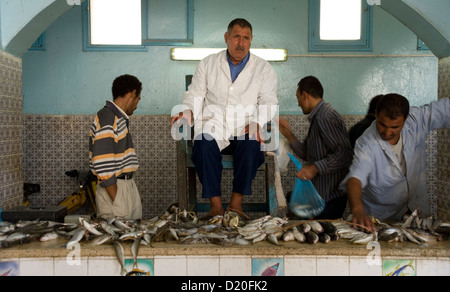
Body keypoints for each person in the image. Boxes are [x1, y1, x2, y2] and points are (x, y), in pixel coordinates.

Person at [171, 18, 278, 218]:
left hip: (244, 126)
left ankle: (236, 204)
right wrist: (188, 111)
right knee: (202, 143)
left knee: (252, 144)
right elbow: (195, 94)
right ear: (226, 37)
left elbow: (269, 101)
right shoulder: (208, 63)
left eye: (246, 38)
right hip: (215, 125)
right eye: (236, 36)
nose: (241, 42)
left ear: (251, 40)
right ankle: (216, 206)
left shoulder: (263, 68)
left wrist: (257, 122)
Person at [342, 94, 450, 232]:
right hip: (382, 218)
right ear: (376, 114)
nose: (387, 132)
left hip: (417, 210)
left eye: (395, 127)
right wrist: (357, 209)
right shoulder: (366, 143)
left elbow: (446, 107)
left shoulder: (417, 119)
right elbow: (355, 178)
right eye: (382, 124)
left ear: (405, 119)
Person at [279, 76, 353, 219]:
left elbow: (345, 155)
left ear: (305, 95)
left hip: (330, 197)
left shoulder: (325, 117)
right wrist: (289, 135)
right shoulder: (317, 118)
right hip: (320, 195)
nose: (298, 103)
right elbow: (308, 154)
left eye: (298, 98)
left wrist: (314, 168)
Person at [89, 74, 143, 220]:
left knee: (133, 237)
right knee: (118, 238)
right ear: (132, 93)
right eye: (138, 98)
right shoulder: (107, 116)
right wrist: (117, 198)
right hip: (115, 190)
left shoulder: (118, 117)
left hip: (125, 186)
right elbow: (102, 162)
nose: (137, 104)